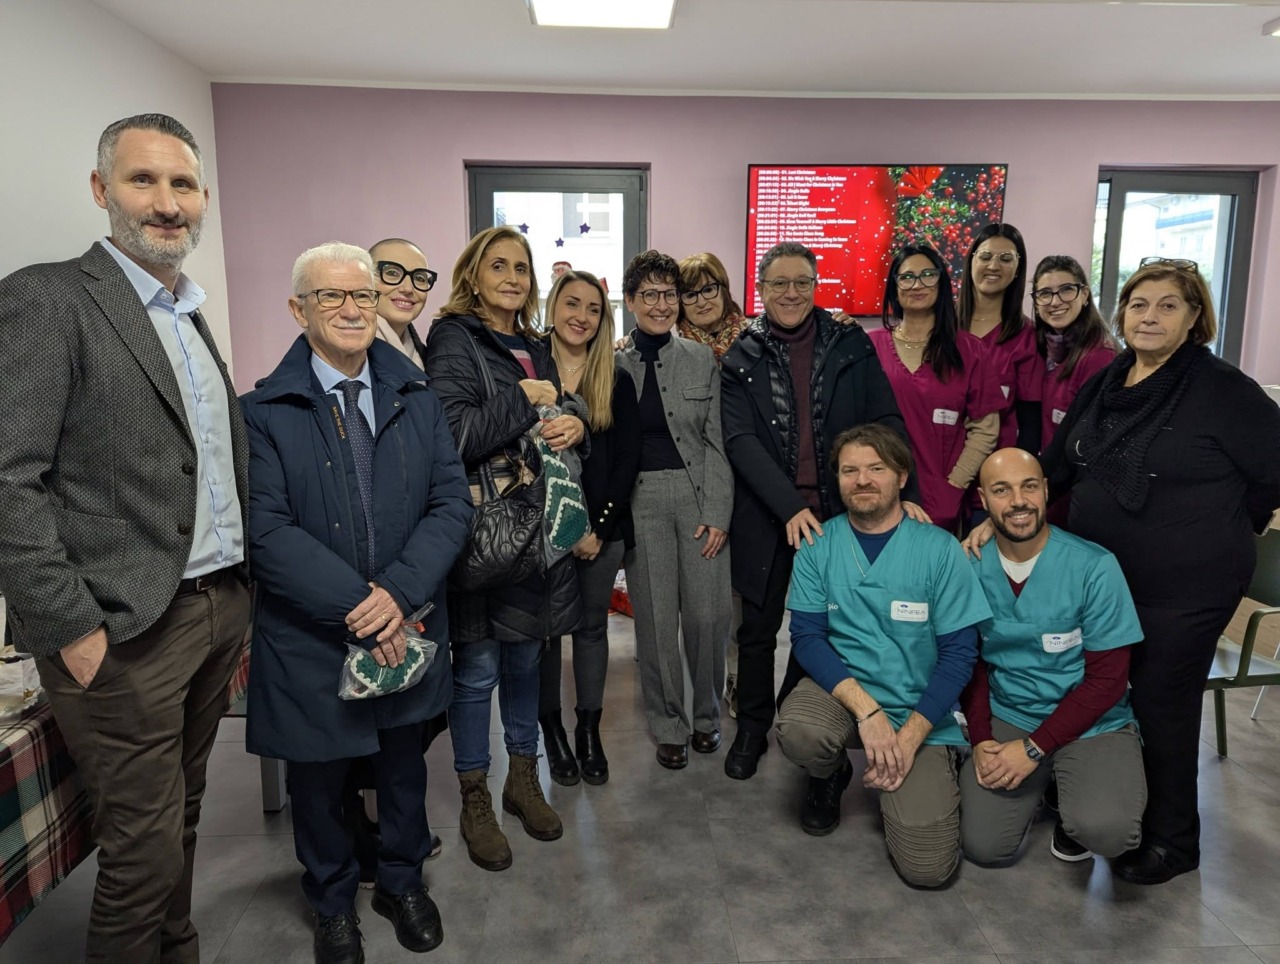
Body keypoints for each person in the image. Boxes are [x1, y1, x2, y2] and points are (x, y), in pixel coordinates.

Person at [0, 114, 250, 962]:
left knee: (181, 813)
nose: (167, 203)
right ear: (102, 191)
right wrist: (69, 628)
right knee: (140, 851)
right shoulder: (48, 298)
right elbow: (9, 479)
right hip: (124, 629)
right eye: (144, 181)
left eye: (182, 185)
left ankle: (175, 946)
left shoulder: (186, 311)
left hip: (214, 609)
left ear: (203, 198)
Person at [966, 258, 1280, 884]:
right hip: (1102, 577)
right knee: (1101, 688)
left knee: (1161, 702)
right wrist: (1002, 510)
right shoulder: (1110, 380)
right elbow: (1056, 461)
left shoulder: (1221, 388)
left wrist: (1217, 529)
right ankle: (1081, 790)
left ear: (1195, 317)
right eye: (1139, 304)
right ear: (1121, 313)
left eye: (1168, 305)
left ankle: (1170, 840)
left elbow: (1271, 477)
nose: (1150, 316)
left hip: (1185, 587)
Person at [243, 243, 471, 963]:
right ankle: (333, 899)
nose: (351, 309)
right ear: (297, 309)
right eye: (331, 297)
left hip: (409, 621)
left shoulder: (419, 398)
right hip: (314, 632)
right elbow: (267, 528)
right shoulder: (261, 411)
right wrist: (360, 607)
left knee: (405, 768)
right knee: (319, 780)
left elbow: (450, 505)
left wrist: (398, 595)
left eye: (363, 296)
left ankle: (403, 882)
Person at [424, 226, 586, 872]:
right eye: (499, 265)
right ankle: (475, 799)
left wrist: (573, 422)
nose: (514, 277)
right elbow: (454, 434)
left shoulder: (536, 345)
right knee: (478, 671)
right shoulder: (456, 338)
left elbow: (556, 426)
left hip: (538, 532)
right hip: (486, 535)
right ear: (474, 273)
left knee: (527, 662)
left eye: (522, 267)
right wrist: (525, 399)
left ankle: (522, 780)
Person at [719, 241, 910, 780]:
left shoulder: (850, 343)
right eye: (779, 283)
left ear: (815, 284)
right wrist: (786, 507)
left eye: (801, 282)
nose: (791, 293)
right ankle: (752, 727)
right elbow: (739, 441)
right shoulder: (741, 354)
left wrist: (899, 492)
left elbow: (885, 420)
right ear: (760, 289)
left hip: (837, 516)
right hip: (766, 514)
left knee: (821, 628)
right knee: (756, 630)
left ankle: (792, 712)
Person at [775, 424, 989, 887]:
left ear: (901, 476)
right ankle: (830, 772)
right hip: (847, 697)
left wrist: (909, 737)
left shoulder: (940, 550)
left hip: (920, 708)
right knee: (798, 730)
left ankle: (938, 764)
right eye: (849, 470)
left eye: (876, 468)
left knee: (928, 870)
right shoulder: (818, 545)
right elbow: (807, 636)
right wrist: (868, 711)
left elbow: (959, 654)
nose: (862, 480)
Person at [960, 448, 1146, 868]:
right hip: (1012, 712)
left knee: (1108, 831)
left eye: (1029, 486)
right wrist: (982, 738)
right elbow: (969, 663)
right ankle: (1045, 787)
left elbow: (1109, 680)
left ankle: (1068, 796)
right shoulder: (969, 565)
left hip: (1095, 722)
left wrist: (1033, 749)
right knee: (984, 847)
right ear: (983, 501)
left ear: (1045, 490)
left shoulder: (1094, 567)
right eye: (1001, 490)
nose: (1018, 501)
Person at [616, 250, 734, 770]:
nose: (661, 305)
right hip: (640, 502)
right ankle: (669, 723)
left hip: (698, 497)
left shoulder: (701, 358)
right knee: (658, 622)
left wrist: (718, 512)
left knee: (709, 616)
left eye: (670, 295)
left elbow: (717, 444)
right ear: (631, 301)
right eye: (650, 295)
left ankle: (707, 715)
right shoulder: (612, 362)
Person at [537, 270, 641, 786]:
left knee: (592, 628)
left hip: (602, 532)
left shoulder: (616, 376)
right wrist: (565, 528)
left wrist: (595, 528)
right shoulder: (529, 366)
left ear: (605, 317)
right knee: (546, 634)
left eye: (593, 308)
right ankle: (551, 730)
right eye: (571, 304)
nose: (581, 316)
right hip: (539, 532)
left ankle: (587, 729)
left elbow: (626, 462)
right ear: (553, 307)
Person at [869, 244, 1004, 533]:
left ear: (941, 283)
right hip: (879, 495)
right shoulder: (870, 346)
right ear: (894, 287)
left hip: (940, 500)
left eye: (928, 275)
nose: (917, 284)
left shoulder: (969, 350)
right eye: (907, 277)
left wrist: (955, 484)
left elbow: (985, 428)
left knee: (934, 575)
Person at [676, 252, 750, 716]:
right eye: (690, 293)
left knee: (738, 591)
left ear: (725, 289)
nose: (702, 300)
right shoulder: (666, 345)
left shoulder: (756, 339)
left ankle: (737, 676)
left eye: (710, 288)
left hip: (747, 477)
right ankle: (696, 676)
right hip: (693, 484)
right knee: (700, 589)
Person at [957, 223, 1041, 453]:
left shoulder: (1028, 338)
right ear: (971, 261)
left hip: (996, 469)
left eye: (1006, 259)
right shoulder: (940, 328)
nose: (993, 266)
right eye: (985, 256)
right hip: (935, 464)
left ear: (1018, 268)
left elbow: (1030, 425)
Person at [1029, 255, 1115, 452]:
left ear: (1084, 295)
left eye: (1066, 290)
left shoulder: (1099, 357)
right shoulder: (1043, 348)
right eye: (1045, 293)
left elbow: (1094, 437)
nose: (1055, 302)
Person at [371, 237, 437, 363]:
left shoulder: (429, 360)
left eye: (419, 278)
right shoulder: (348, 350)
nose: (407, 288)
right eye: (392, 273)